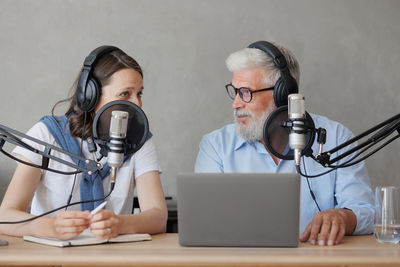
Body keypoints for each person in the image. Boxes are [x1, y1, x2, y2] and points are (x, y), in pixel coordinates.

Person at [195, 41, 374, 246]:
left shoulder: (336, 138)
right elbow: (206, 222)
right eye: (234, 91)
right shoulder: (216, 147)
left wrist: (343, 217)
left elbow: (365, 211)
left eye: (246, 92)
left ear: (282, 95)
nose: (236, 103)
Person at [0, 46, 167, 240]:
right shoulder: (46, 135)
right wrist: (47, 226)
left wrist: (120, 224)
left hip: (114, 257)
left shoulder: (138, 140)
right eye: (125, 94)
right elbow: (5, 216)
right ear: (90, 96)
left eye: (139, 94)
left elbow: (158, 216)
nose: (137, 104)